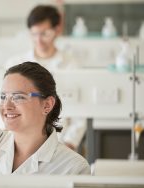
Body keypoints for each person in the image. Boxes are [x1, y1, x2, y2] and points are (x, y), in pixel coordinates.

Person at [6, 5, 86, 150]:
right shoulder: (15, 64)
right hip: (20, 144)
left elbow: (81, 112)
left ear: (57, 30)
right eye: (34, 34)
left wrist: (69, 143)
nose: (39, 40)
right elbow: (3, 105)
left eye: (45, 34)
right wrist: (10, 140)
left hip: (60, 143)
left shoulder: (71, 65)